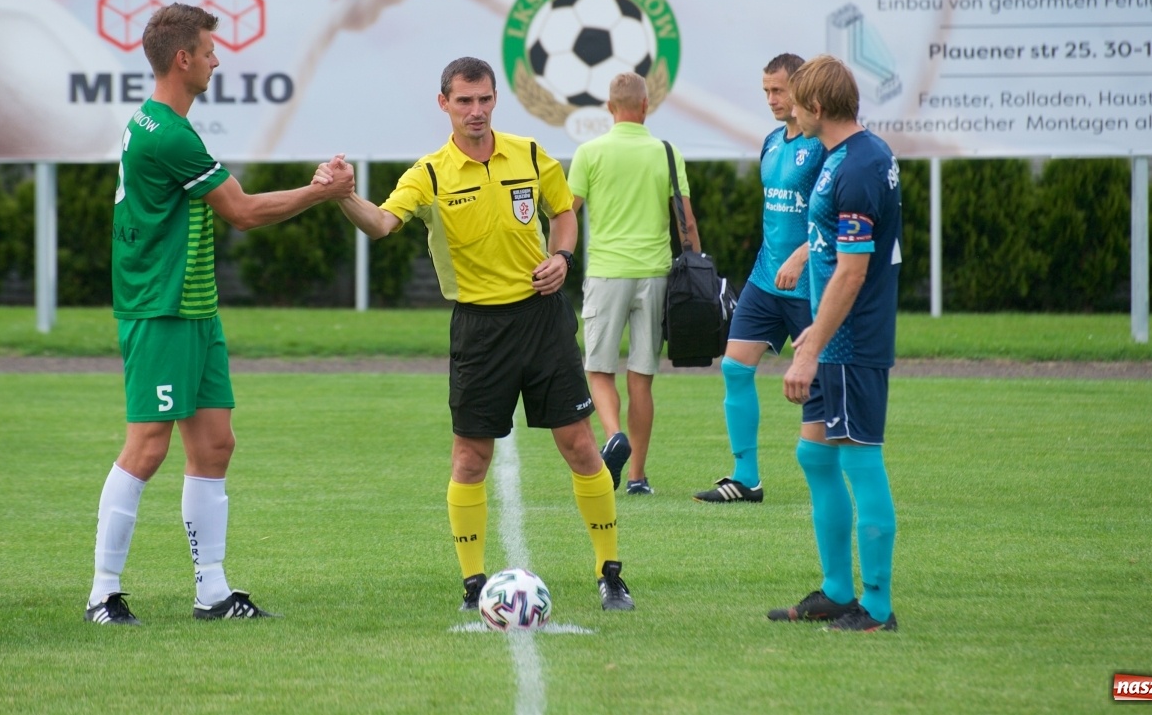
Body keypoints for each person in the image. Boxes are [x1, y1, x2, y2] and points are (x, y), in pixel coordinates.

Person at [86, 3, 355, 626]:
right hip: (160, 307)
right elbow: (243, 211)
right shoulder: (169, 134)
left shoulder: (161, 123)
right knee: (147, 446)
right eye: (209, 50)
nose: (216, 60)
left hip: (194, 306)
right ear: (183, 59)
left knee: (214, 443)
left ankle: (212, 591)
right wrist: (322, 193)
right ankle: (102, 592)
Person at [333, 57, 634, 612]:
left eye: (485, 99)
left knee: (581, 446)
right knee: (471, 459)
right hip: (478, 329)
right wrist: (343, 194)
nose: (476, 111)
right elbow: (379, 224)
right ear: (443, 103)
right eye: (465, 101)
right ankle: (474, 584)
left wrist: (562, 255)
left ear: (496, 100)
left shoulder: (528, 153)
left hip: (543, 318)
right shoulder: (427, 173)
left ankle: (610, 572)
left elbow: (564, 213)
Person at [769, 55, 903, 632]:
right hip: (832, 336)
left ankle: (876, 607)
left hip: (850, 343)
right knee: (815, 454)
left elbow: (852, 270)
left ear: (817, 108)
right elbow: (831, 241)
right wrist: (803, 257)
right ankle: (837, 590)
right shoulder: (845, 155)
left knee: (860, 460)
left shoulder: (858, 166)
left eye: (796, 100)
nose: (789, 109)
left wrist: (811, 347)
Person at [695, 54, 825, 505]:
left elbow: (838, 216)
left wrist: (804, 255)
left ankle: (827, 478)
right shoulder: (772, 142)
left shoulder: (825, 146)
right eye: (766, 91)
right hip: (765, 280)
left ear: (803, 90)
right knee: (734, 367)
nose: (771, 99)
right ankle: (746, 479)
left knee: (818, 382)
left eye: (779, 91)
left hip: (810, 285)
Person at [568, 72, 700, 496]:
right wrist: (700, 270)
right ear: (645, 106)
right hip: (655, 274)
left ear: (609, 108)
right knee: (641, 377)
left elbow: (568, 211)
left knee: (598, 369)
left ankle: (612, 435)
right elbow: (687, 220)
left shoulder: (589, 152)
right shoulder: (666, 152)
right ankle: (639, 476)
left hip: (607, 271)